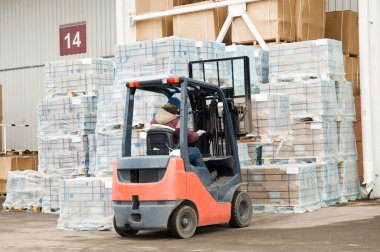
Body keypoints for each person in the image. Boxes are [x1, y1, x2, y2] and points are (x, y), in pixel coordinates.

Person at [151, 97, 207, 168]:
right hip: (171, 152)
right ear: (176, 108)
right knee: (196, 152)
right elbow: (187, 136)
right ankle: (205, 177)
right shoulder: (175, 121)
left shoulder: (154, 119)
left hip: (157, 151)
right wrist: (197, 134)